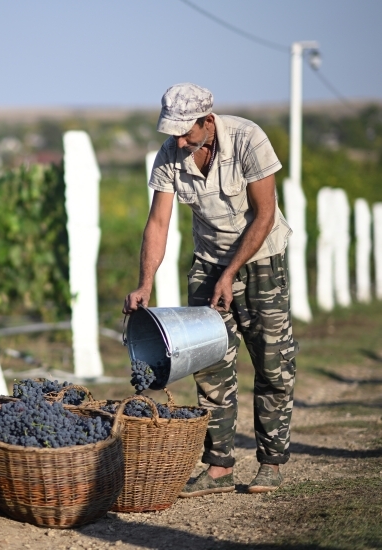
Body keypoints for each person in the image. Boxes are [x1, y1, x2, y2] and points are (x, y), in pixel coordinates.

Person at [123, 83, 298, 495]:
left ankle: (270, 463)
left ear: (207, 121)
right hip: (207, 264)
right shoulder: (170, 154)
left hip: (260, 262)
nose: (179, 141)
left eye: (186, 132)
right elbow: (158, 223)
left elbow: (265, 214)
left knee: (272, 364)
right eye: (173, 133)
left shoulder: (248, 139)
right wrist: (145, 283)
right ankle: (218, 468)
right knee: (210, 366)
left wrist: (231, 273)